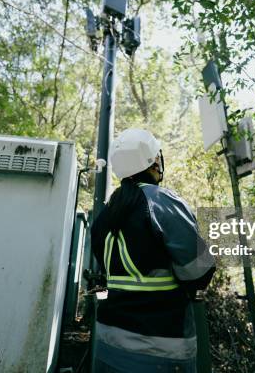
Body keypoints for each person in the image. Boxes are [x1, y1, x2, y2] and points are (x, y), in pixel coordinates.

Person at [91, 128, 216, 373]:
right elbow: (199, 273)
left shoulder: (106, 214)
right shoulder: (162, 201)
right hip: (160, 351)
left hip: (107, 344)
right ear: (155, 161)